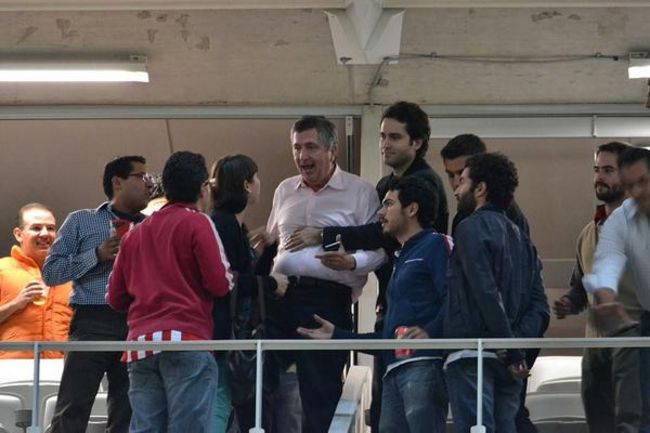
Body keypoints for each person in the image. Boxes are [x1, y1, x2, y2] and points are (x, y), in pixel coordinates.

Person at [283, 101, 447, 430]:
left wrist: (326, 235)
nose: (385, 144)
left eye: (395, 137)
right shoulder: (387, 186)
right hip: (392, 318)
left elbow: (378, 236)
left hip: (419, 345)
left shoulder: (430, 233)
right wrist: (339, 335)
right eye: (382, 136)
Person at [298, 176, 451, 433]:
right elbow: (388, 338)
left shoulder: (436, 244)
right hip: (393, 371)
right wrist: (337, 336)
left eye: (388, 204)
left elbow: (455, 300)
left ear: (412, 209)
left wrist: (430, 332)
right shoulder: (401, 257)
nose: (380, 213)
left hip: (424, 366)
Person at [266, 115, 385, 433]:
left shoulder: (360, 191)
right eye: (296, 148)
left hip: (326, 300)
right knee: (259, 377)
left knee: (320, 392)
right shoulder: (284, 189)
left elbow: (380, 249)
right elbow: (274, 240)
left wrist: (352, 263)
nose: (302, 156)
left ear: (333, 151)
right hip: (280, 297)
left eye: (311, 147)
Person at [107, 151, 233, 433]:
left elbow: (114, 298)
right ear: (202, 188)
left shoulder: (135, 234)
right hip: (187, 340)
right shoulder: (198, 222)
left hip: (140, 346)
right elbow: (220, 283)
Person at [43, 155, 152, 433]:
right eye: (141, 177)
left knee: (128, 411)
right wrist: (96, 255)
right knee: (73, 406)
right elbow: (51, 273)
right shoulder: (81, 220)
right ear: (118, 182)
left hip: (137, 322)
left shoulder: (153, 226)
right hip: (91, 321)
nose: (149, 183)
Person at [440, 133, 541, 433]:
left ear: (480, 189)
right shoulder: (523, 239)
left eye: (462, 181)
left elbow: (485, 291)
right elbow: (540, 306)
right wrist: (514, 347)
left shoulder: (469, 227)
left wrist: (506, 345)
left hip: (474, 355)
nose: (456, 189)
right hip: (508, 361)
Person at [553, 141, 641, 433]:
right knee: (598, 421)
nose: (599, 177)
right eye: (596, 169)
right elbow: (581, 286)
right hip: (595, 348)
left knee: (633, 422)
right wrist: (569, 301)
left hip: (634, 344)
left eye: (608, 170)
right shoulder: (588, 233)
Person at [208, 154, 289, 432]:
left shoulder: (230, 224)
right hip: (225, 332)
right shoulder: (224, 224)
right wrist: (271, 283)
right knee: (221, 402)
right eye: (256, 177)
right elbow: (229, 280)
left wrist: (268, 249)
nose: (258, 183)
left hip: (230, 332)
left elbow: (245, 274)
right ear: (246, 185)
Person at [583, 146, 650, 433]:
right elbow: (601, 268)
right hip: (617, 335)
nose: (637, 192)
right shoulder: (611, 223)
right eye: (597, 170)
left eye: (643, 182)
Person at [0, 203, 72, 359]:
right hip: (12, 366)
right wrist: (15, 304)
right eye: (36, 228)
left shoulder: (71, 276)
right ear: (19, 234)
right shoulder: (2, 269)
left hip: (63, 366)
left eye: (50, 228)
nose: (45, 234)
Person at [440, 133, 529, 236]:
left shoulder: (508, 217)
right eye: (451, 175)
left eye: (462, 173)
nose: (456, 183)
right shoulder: (462, 216)